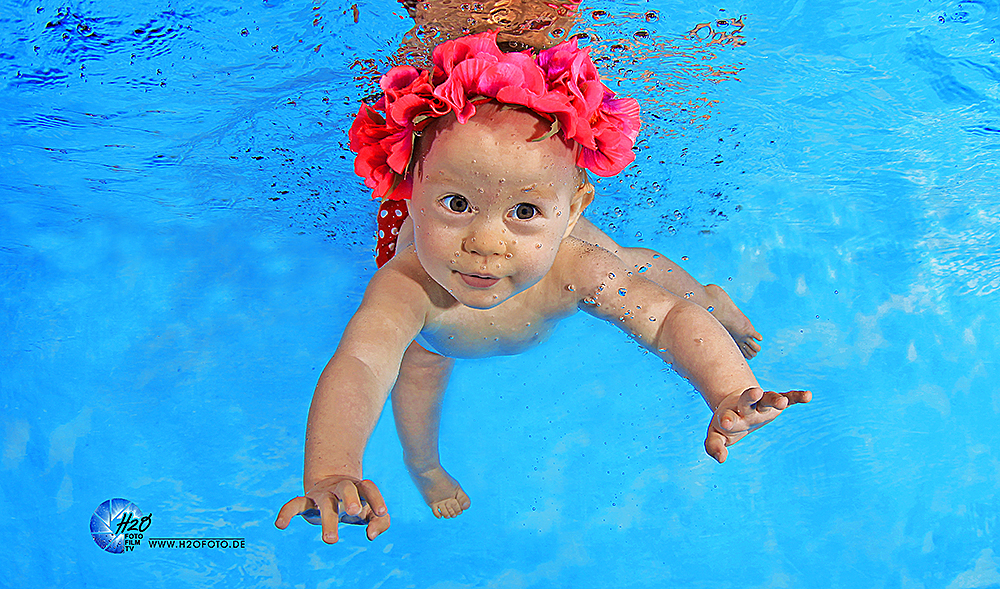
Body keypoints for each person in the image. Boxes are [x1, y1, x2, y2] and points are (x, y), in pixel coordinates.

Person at [274, 31, 811, 544]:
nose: (485, 244)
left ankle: (702, 293)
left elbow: (668, 320)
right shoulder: (410, 286)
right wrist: (332, 469)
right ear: (409, 190)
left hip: (566, 243)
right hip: (440, 321)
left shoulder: (573, 265)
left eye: (525, 212)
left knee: (623, 266)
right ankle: (426, 464)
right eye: (456, 205)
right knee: (420, 365)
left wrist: (726, 389)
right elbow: (362, 366)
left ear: (572, 210)